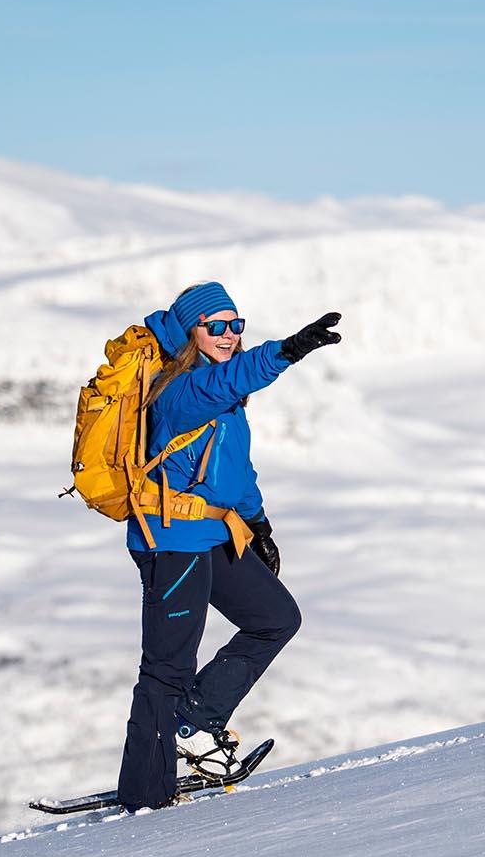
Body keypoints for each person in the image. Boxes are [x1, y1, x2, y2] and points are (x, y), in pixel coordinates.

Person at [116, 282, 342, 810]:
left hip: (216, 532)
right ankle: (146, 793)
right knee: (166, 666)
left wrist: (258, 525)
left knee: (276, 618)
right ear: (190, 333)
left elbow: (234, 470)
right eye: (215, 326)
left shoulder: (224, 397)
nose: (228, 335)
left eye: (236, 324)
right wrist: (287, 350)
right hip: (171, 541)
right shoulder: (181, 391)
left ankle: (193, 721)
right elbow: (235, 375)